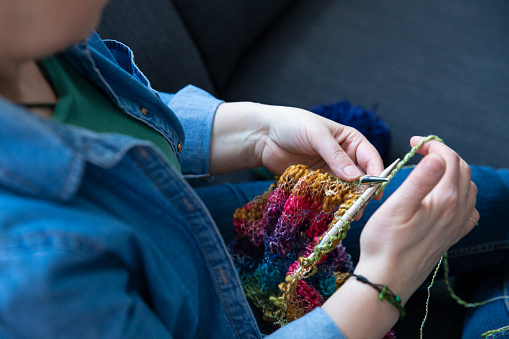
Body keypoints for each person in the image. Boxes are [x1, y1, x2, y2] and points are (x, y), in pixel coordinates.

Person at [0, 1, 503, 338]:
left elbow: (118, 120)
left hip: (204, 243)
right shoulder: (31, 275)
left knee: (467, 193)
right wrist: (384, 283)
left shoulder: (36, 49)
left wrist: (257, 131)